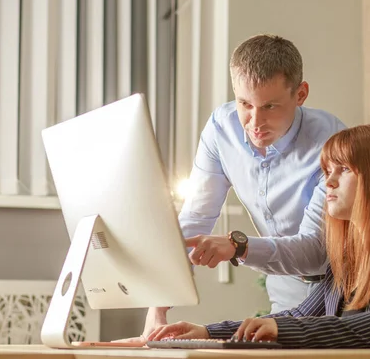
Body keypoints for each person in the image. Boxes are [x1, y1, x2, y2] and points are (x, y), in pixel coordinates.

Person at [147, 124, 370, 349]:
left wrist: (284, 331)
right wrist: (208, 332)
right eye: (327, 171)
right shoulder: (353, 248)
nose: (329, 183)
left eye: (344, 170)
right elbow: (301, 314)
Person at [141, 34, 347, 338]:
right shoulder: (220, 129)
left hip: (341, 286)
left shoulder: (331, 141)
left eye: (270, 106)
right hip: (283, 284)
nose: (254, 122)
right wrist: (157, 307)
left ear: (300, 94)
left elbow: (316, 250)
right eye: (245, 103)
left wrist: (238, 246)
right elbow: (195, 219)